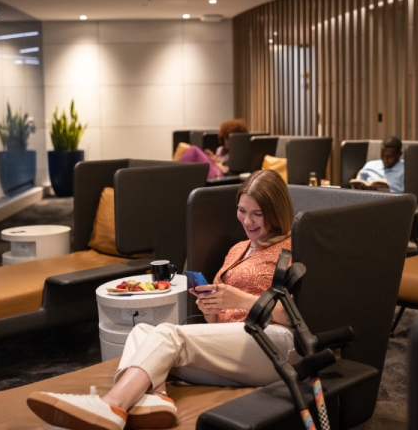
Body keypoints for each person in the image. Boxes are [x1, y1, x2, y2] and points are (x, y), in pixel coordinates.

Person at [26, 170, 298, 430]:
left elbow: (293, 315)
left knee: (168, 334)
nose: (247, 221)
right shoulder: (238, 249)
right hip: (238, 348)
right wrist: (210, 306)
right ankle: (155, 400)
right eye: (242, 210)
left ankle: (112, 404)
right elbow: (217, 322)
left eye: (257, 214)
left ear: (276, 213)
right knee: (142, 332)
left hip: (272, 343)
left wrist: (242, 299)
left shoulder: (290, 249)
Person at [177, 118, 248, 179]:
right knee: (193, 156)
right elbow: (217, 163)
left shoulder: (239, 154)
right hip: (215, 171)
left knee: (194, 150)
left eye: (228, 138)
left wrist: (215, 162)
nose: (226, 141)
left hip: (222, 177)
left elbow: (228, 172)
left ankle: (175, 172)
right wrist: (212, 158)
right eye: (225, 138)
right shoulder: (221, 150)